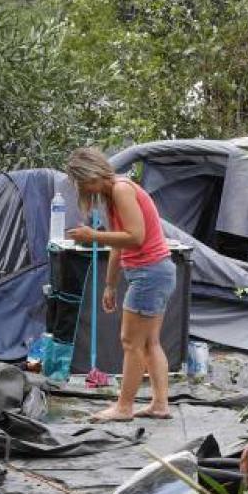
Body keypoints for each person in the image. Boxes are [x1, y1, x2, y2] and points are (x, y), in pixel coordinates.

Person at [64, 148, 176, 422]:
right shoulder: (112, 196)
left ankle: (124, 407)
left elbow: (135, 237)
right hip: (154, 272)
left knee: (131, 342)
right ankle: (160, 405)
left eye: (82, 183)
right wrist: (110, 285)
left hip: (150, 273)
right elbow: (119, 243)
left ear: (92, 175)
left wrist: (93, 236)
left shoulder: (121, 190)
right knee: (149, 342)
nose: (83, 190)